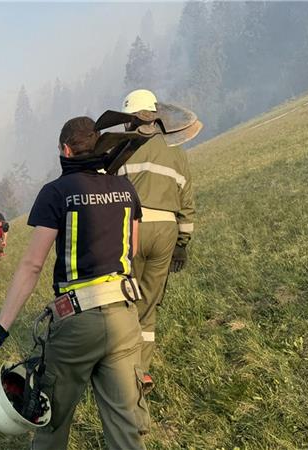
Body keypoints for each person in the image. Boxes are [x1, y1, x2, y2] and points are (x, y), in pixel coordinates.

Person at [0, 117, 150, 449]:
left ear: (66, 149)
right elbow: (132, 249)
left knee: (51, 422)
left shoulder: (57, 192)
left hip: (78, 323)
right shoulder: (126, 188)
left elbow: (32, 265)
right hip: (125, 315)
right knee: (126, 430)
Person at [119, 89, 195, 391]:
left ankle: (121, 368)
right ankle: (142, 372)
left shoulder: (123, 148)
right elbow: (186, 201)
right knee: (150, 303)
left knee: (126, 297)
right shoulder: (177, 152)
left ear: (130, 119)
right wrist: (182, 243)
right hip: (166, 232)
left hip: (132, 228)